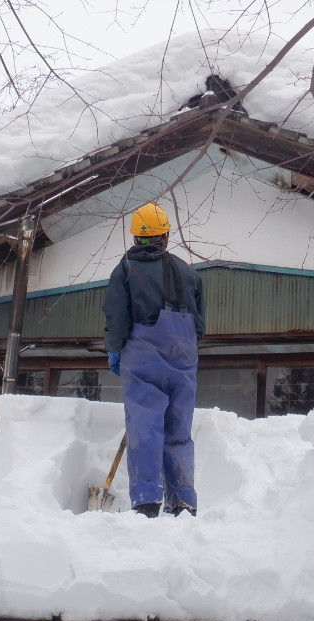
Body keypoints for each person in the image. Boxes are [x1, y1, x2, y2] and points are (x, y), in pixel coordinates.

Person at [102, 202, 205, 518]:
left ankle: (147, 501)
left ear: (135, 238)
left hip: (143, 361)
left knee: (145, 427)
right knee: (179, 430)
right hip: (183, 361)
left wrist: (115, 350)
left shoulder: (124, 271)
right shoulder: (188, 272)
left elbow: (116, 318)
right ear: (166, 237)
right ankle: (183, 501)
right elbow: (199, 327)